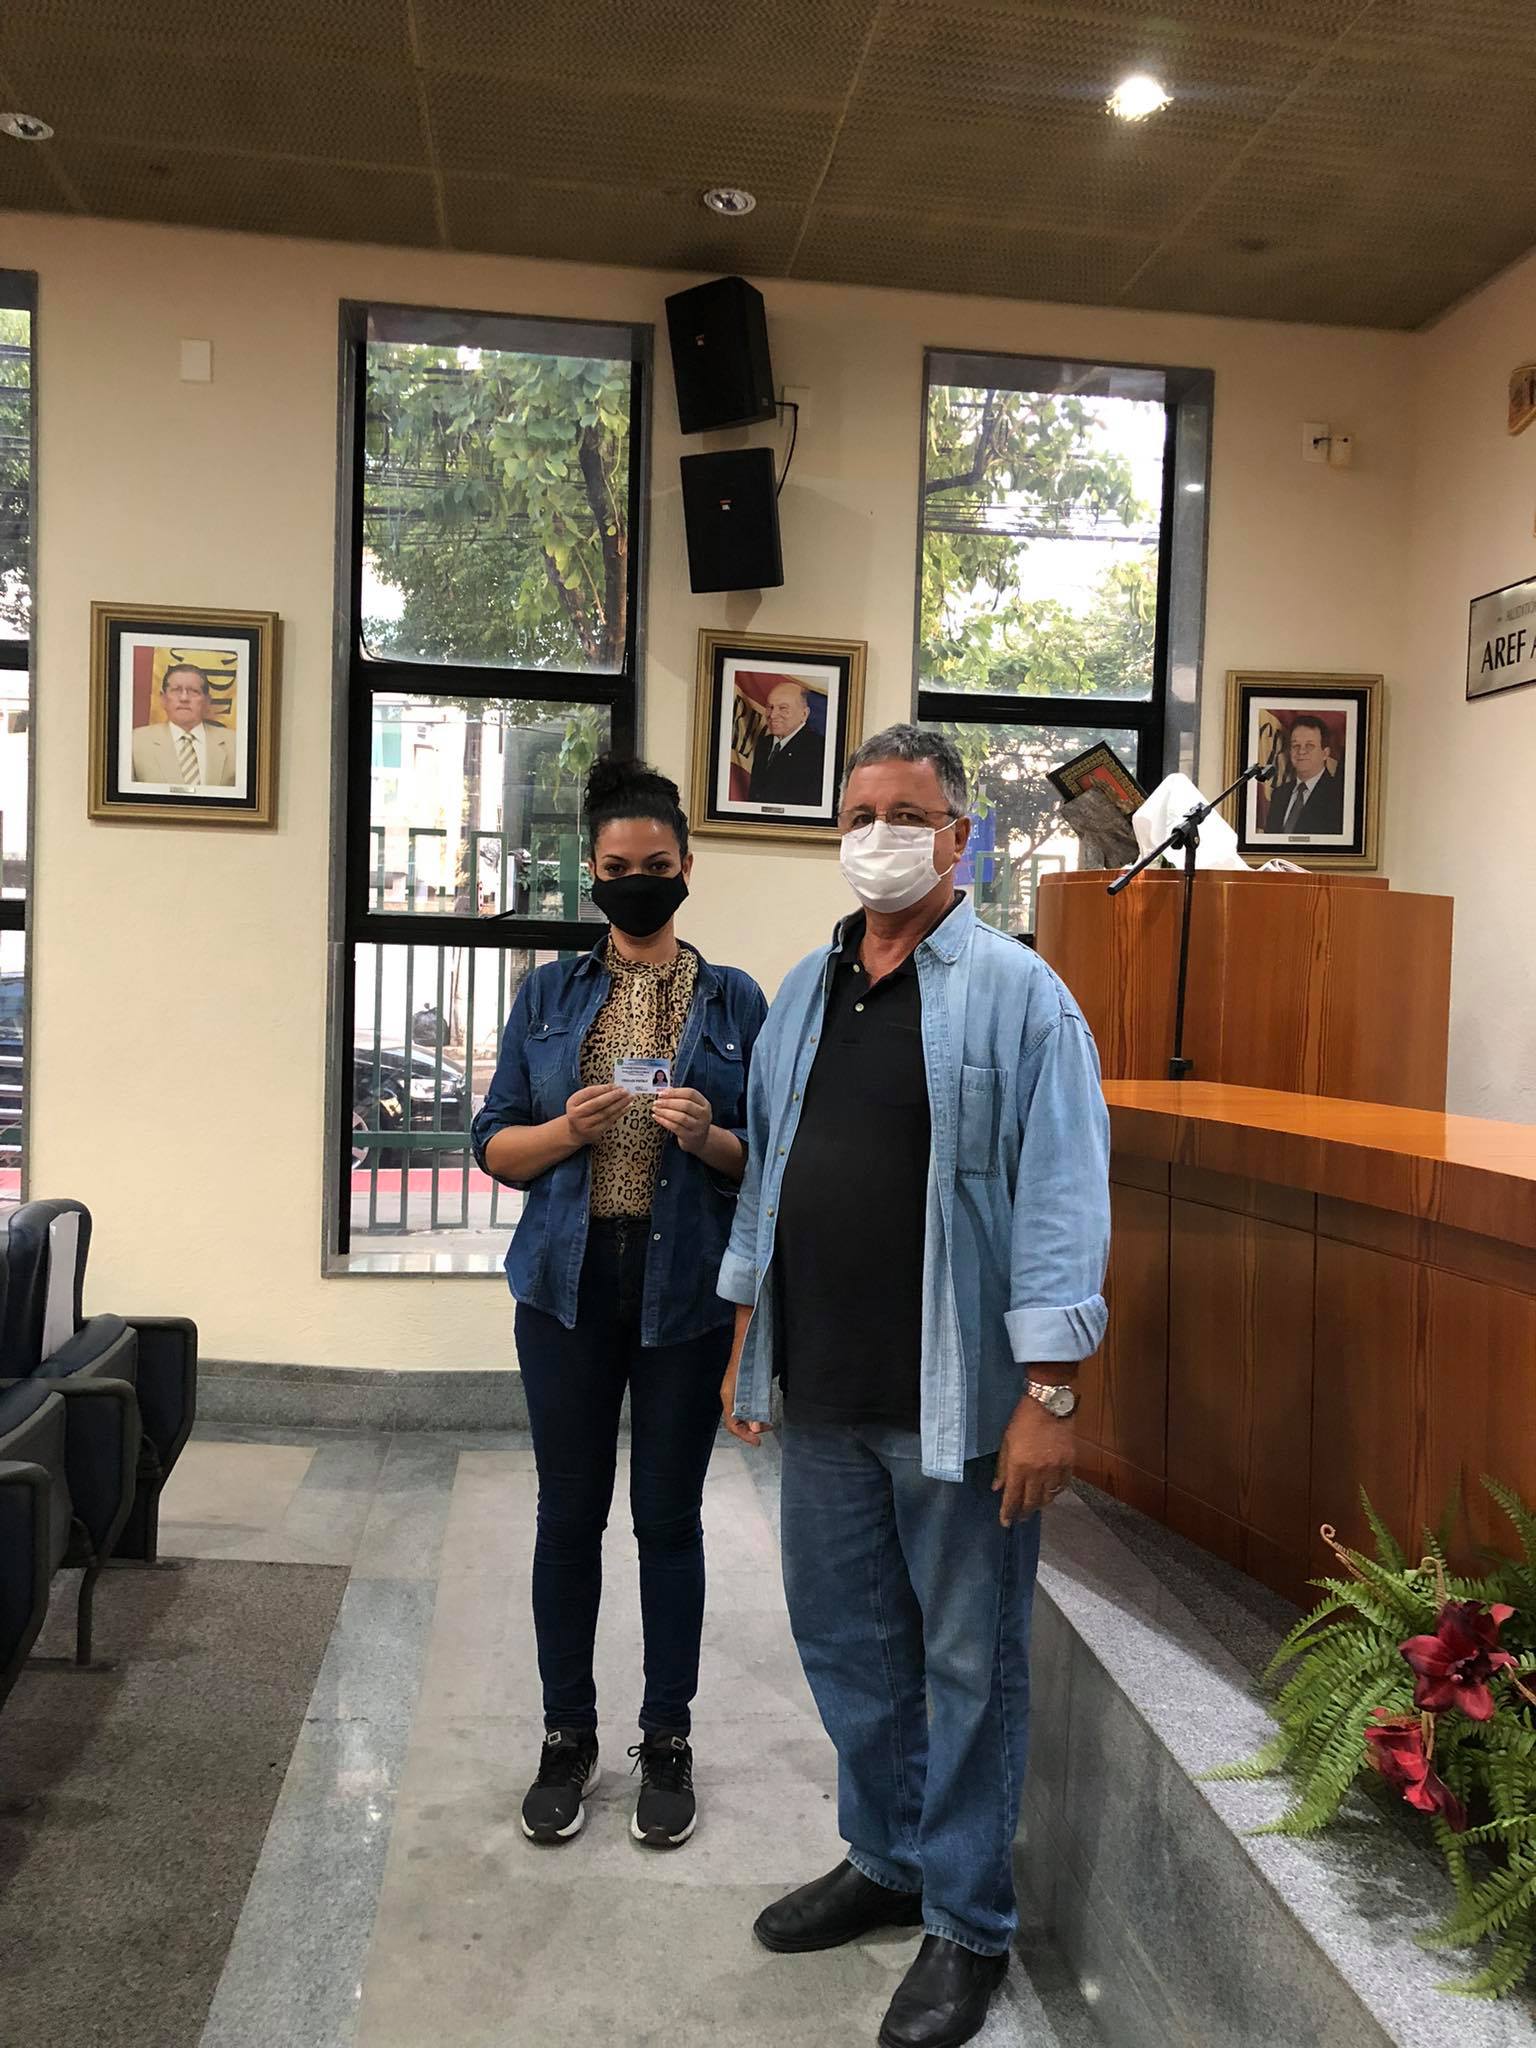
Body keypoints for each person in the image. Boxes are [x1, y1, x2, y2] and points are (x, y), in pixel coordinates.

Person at [718, 725, 1110, 2048]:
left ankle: (967, 1921)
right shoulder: (806, 988)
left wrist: (1049, 1392)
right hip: (822, 1390)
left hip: (959, 1399)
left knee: (967, 1665)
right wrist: (747, 1339)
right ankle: (885, 1860)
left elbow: (1062, 1196)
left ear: (959, 836)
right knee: (848, 1647)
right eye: (859, 813)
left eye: (907, 812)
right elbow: (770, 1175)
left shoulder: (1020, 995)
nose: (878, 834)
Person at [471, 757, 767, 1854]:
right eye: (616, 866)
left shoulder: (737, 1000)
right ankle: (567, 1735)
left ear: (687, 865)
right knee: (567, 1515)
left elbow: (766, 1159)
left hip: (684, 1288)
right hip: (566, 1284)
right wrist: (570, 1131)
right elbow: (494, 1144)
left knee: (668, 1520)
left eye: (656, 863)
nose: (637, 881)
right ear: (589, 872)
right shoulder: (550, 994)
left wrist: (708, 1135)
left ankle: (667, 1739)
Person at [130, 663, 236, 786]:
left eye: (194, 691)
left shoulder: (235, 743)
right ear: (163, 699)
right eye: (176, 690)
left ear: (207, 701)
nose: (184, 698)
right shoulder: (135, 742)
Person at [748, 679, 826, 806]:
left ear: (804, 714)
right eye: (770, 707)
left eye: (783, 708)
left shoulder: (819, 750)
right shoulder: (764, 743)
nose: (772, 715)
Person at [1267, 715, 1343, 835]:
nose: (1301, 751)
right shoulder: (1279, 794)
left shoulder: (1339, 796)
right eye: (1296, 746)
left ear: (1325, 753)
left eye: (1309, 746)